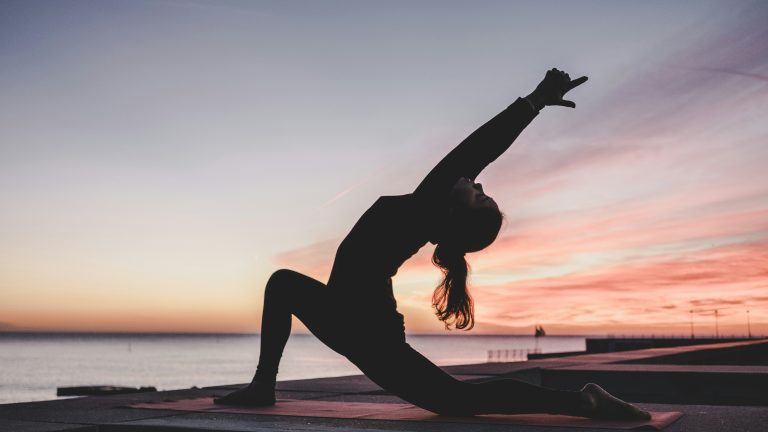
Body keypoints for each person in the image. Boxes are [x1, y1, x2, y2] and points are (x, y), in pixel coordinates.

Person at [215, 68, 651, 420]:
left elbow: (479, 148)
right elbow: (476, 157)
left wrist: (534, 102)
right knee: (282, 284)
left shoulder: (428, 206)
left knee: (458, 403)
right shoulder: (427, 212)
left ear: (455, 216)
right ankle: (263, 385)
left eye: (479, 194)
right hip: (346, 315)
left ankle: (582, 401)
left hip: (366, 331)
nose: (476, 181)